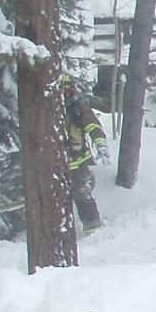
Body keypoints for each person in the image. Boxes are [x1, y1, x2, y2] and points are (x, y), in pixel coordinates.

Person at [61, 74, 108, 232]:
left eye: (67, 88)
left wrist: (100, 144)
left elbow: (93, 125)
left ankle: (92, 225)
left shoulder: (77, 107)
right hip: (57, 161)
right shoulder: (47, 109)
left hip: (78, 159)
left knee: (82, 193)